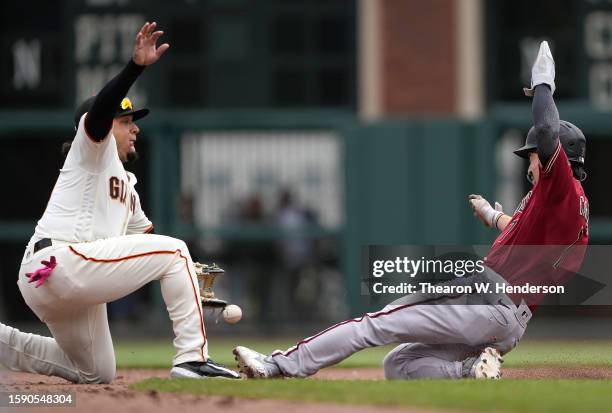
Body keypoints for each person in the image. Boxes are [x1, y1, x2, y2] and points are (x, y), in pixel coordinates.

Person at [233, 41, 589, 380]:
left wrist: (543, 85)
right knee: (400, 363)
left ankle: (279, 365)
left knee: (375, 323)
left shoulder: (561, 188)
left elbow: (545, 129)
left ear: (558, 161)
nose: (530, 162)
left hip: (486, 300)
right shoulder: (570, 210)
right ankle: (468, 372)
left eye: (531, 155)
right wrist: (493, 217)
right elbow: (528, 236)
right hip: (508, 321)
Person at [0, 22, 240, 383]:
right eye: (126, 121)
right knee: (175, 251)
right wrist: (135, 68)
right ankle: (192, 358)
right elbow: (100, 113)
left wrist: (192, 278)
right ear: (100, 126)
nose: (135, 129)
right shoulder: (91, 149)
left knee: (96, 371)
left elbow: (147, 241)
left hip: (54, 276)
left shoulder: (126, 186)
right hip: (60, 261)